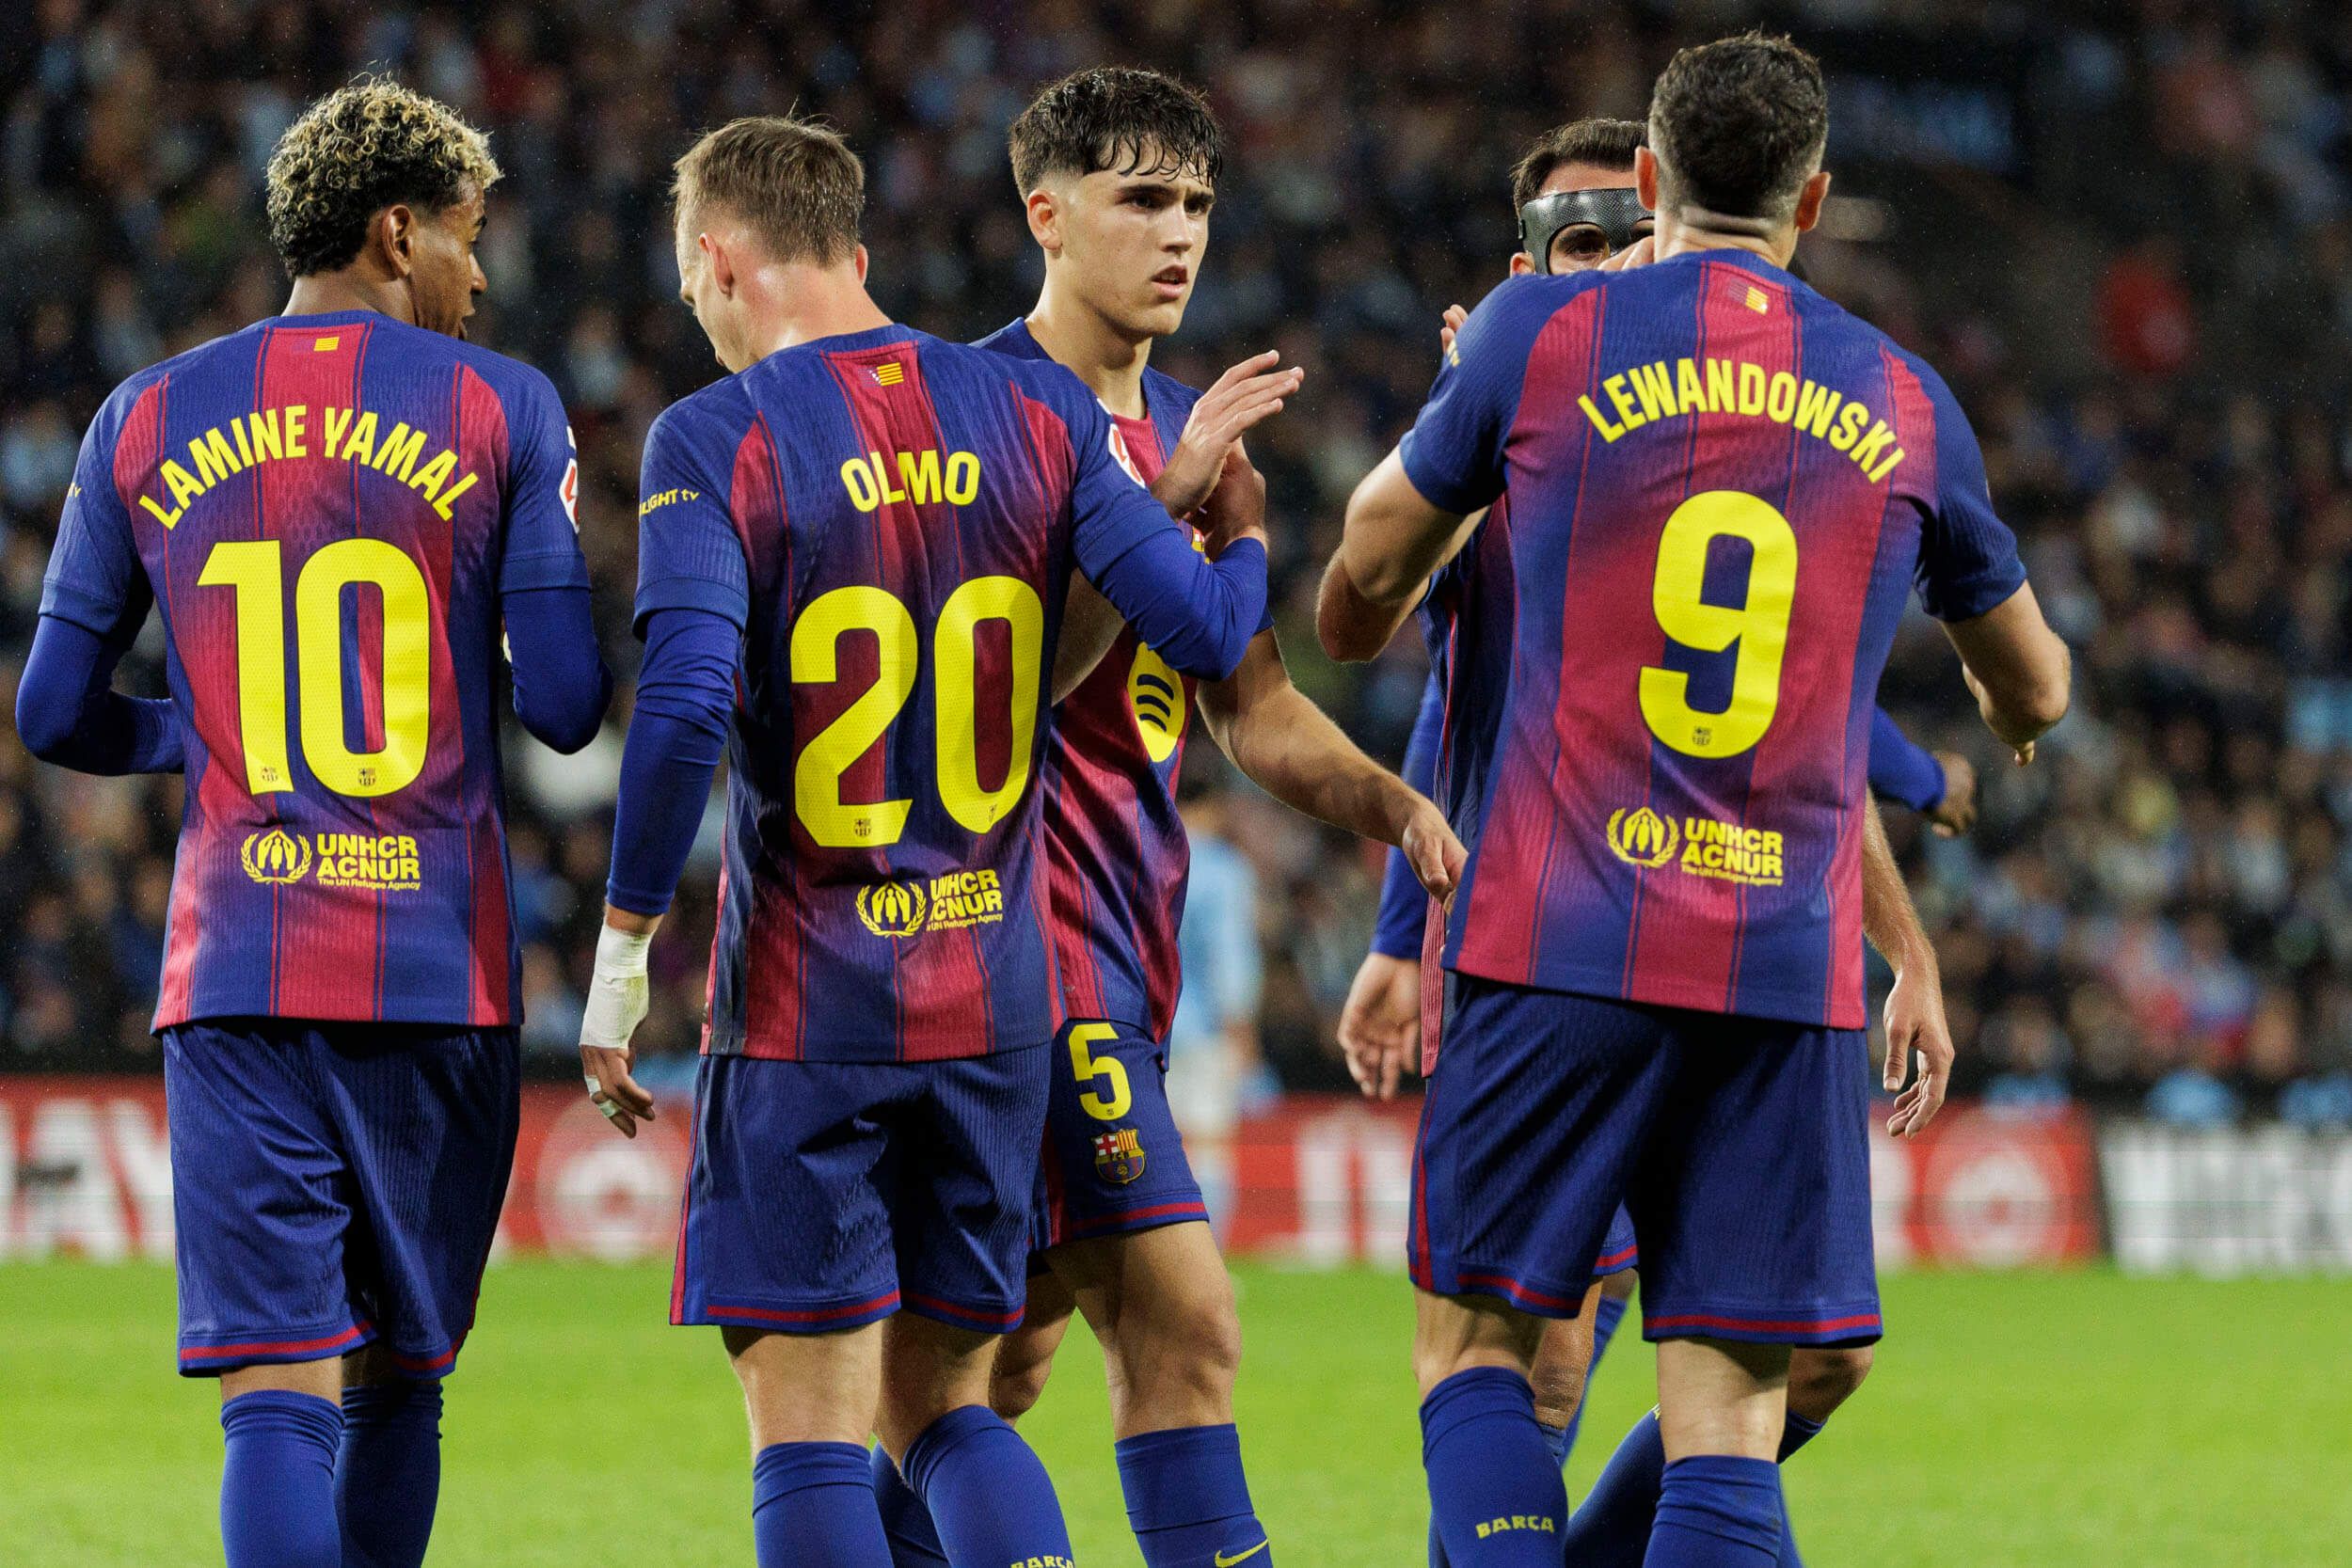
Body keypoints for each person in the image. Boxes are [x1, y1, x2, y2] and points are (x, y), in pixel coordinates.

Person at [1316, 33, 2070, 1568]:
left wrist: (1418, 520)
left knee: (1477, 1353)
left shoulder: (1539, 337)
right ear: (1815, 203)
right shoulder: (1907, 400)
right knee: (1730, 1407)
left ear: (1650, 182)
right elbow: (2036, 688)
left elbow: (1359, 590)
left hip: (1559, 939)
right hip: (1783, 973)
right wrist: (1999, 712)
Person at [573, 113, 1274, 1568]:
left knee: (814, 1419)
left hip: (808, 1009)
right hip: (994, 1004)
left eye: (691, 287)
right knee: (951, 1405)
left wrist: (626, 942)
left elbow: (692, 697)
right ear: (859, 251)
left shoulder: (718, 436)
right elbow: (1203, 626)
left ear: (717, 259)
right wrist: (1242, 526)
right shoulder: (1041, 416)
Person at [863, 67, 1463, 1568]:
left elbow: (1246, 703)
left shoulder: (1196, 431)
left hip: (1124, 945)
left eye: (1196, 202)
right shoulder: (973, 414)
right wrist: (1160, 508)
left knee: (1000, 1362)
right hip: (1008, 939)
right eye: (1141, 200)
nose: (1179, 233)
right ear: (1044, 216)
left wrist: (1389, 803)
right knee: (1185, 1320)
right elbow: (968, 708)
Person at [14, 78, 609, 1568]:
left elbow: (52, 714)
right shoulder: (500, 407)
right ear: (396, 233)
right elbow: (564, 706)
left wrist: (201, 733)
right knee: (401, 1388)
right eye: (469, 239)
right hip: (438, 971)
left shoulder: (141, 412)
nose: (481, 276)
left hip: (237, 974)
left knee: (275, 1406)